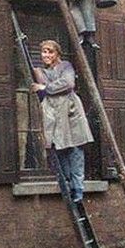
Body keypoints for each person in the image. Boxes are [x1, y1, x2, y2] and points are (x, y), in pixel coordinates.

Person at [31, 40, 93, 205]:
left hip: (70, 112)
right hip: (55, 113)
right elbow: (42, 84)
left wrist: (45, 88)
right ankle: (68, 185)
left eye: (50, 52)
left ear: (57, 53)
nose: (47, 55)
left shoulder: (66, 66)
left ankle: (78, 189)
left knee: (75, 150)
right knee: (60, 148)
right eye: (44, 52)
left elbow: (68, 83)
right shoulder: (42, 72)